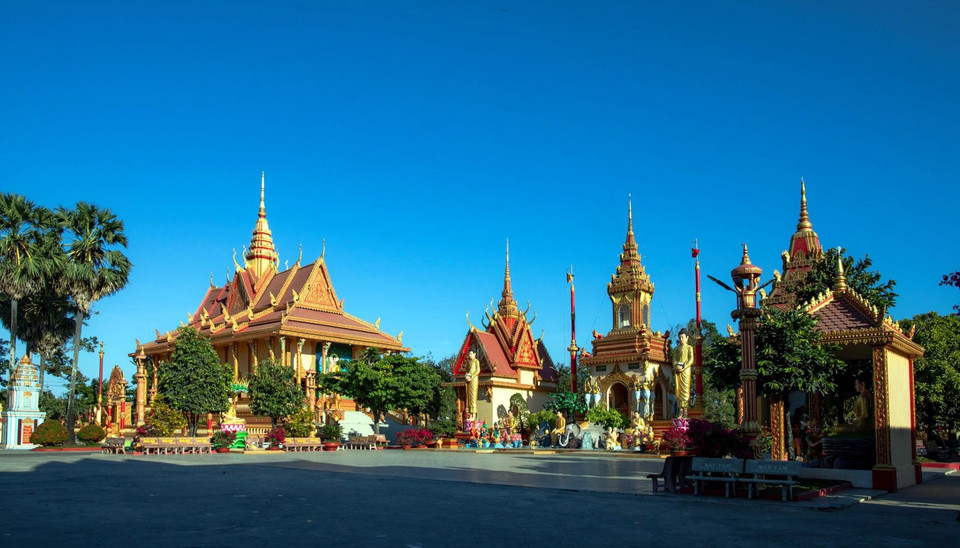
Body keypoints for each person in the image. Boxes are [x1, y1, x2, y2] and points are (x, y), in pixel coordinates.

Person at [673, 328, 694, 418]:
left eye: (683, 337)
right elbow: (674, 359)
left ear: (687, 337)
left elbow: (691, 359)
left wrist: (684, 367)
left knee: (685, 391)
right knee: (678, 390)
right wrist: (675, 366)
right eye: (680, 337)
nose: (681, 339)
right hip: (678, 371)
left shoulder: (689, 348)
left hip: (685, 371)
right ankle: (680, 412)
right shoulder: (677, 349)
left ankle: (685, 412)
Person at [464, 350, 480, 420]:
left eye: (471, 353)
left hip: (474, 380)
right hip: (468, 380)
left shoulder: (476, 361)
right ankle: (470, 415)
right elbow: (467, 371)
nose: (469, 355)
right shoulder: (468, 362)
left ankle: (474, 416)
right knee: (469, 398)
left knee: (473, 397)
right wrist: (466, 376)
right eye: (469, 354)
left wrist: (472, 376)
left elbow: (478, 370)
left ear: (474, 354)